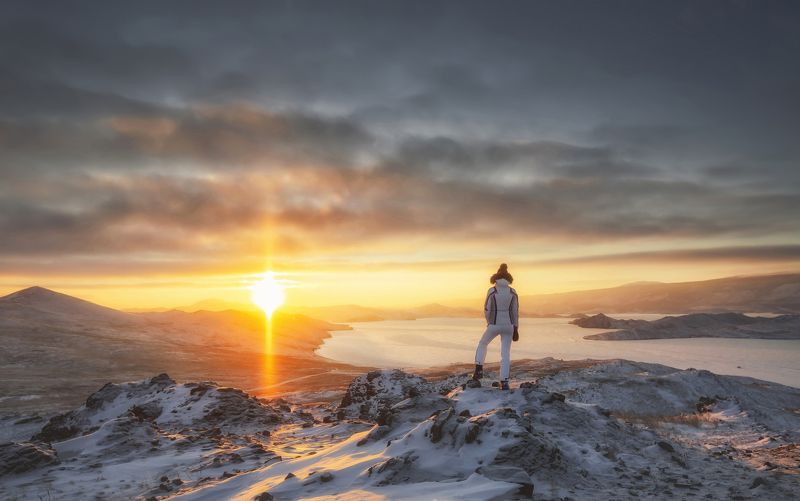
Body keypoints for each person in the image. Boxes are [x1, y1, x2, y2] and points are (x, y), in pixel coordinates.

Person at [472, 263, 519, 390]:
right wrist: (516, 327)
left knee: (483, 343)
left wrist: (489, 322)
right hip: (509, 325)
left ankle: (479, 370)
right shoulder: (512, 292)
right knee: (505, 354)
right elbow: (515, 311)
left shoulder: (492, 290)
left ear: (496, 278)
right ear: (508, 279)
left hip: (494, 324)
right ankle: (504, 382)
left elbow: (487, 308)